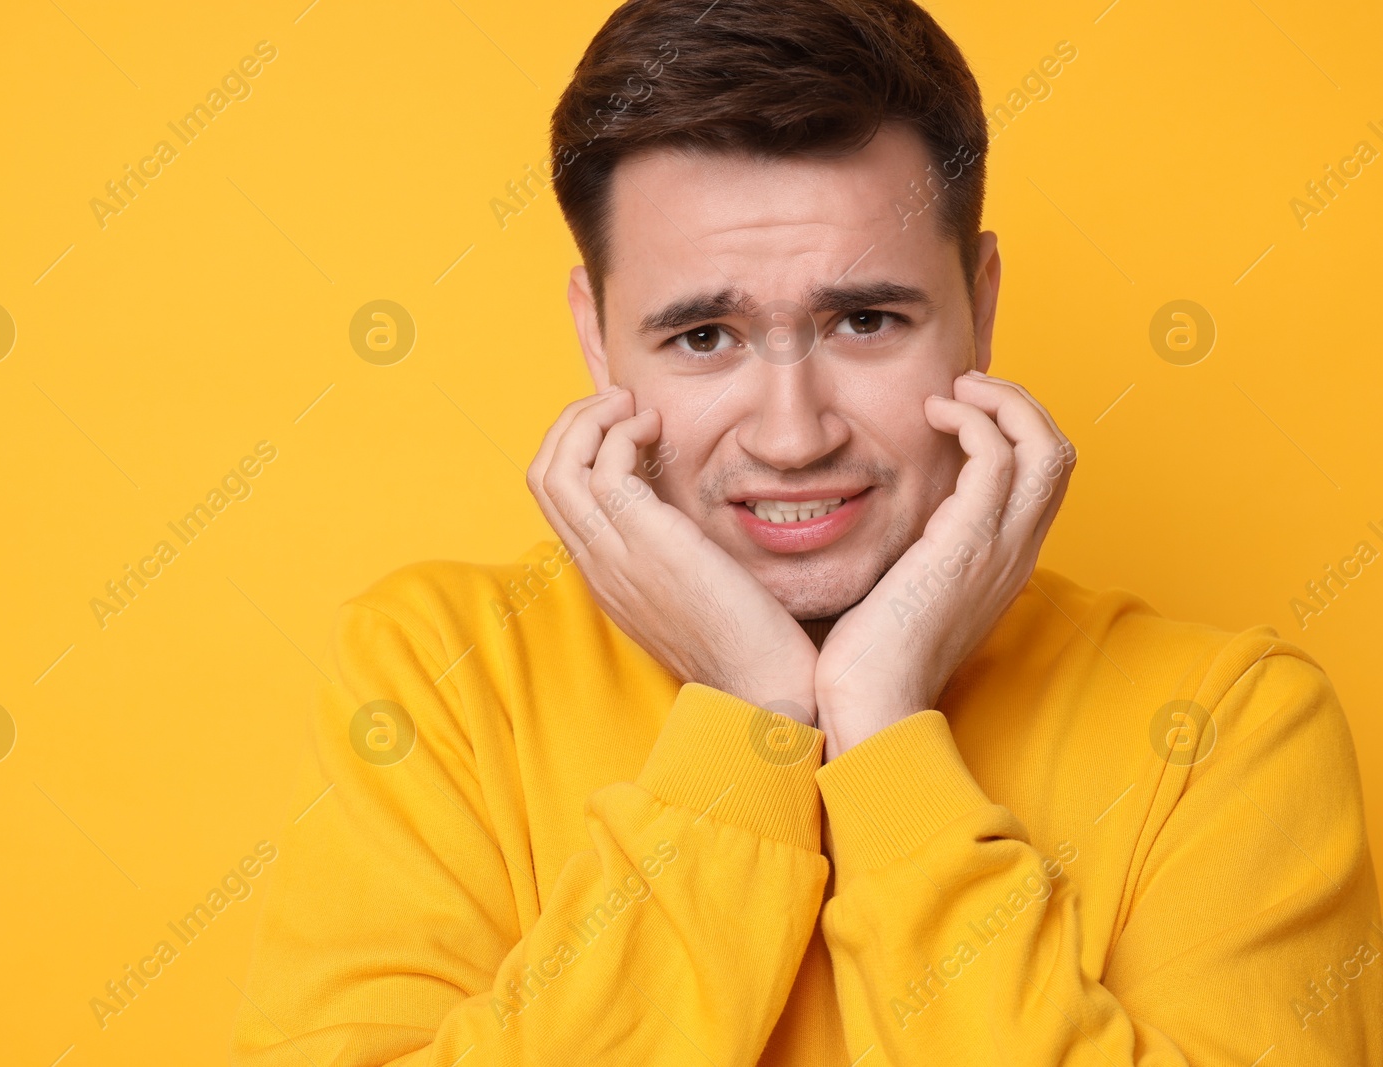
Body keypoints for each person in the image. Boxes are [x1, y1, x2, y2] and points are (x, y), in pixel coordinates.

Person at [232, 0, 1383, 1062]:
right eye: (702, 337)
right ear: (596, 339)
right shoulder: (440, 672)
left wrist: (883, 728)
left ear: (979, 308)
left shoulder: (1232, 726)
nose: (790, 435)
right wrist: (749, 723)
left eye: (866, 318)